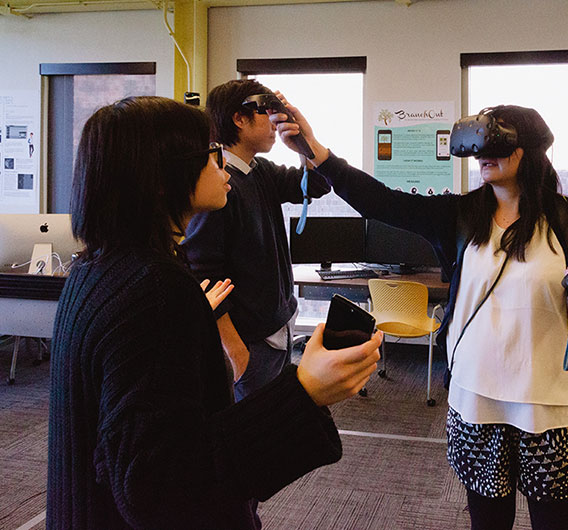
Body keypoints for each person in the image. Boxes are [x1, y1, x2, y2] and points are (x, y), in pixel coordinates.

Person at [274, 100, 568, 530]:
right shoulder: (460, 217)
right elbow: (380, 202)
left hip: (551, 404)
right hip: (475, 399)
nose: (482, 155)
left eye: (494, 144)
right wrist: (316, 151)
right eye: (478, 146)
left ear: (529, 150)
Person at [47, 96, 382, 529]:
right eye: (208, 153)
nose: (219, 164)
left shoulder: (95, 269)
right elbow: (159, 486)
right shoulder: (155, 289)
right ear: (163, 178)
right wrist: (304, 391)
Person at [182, 79, 331, 403]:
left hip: (275, 330)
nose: (274, 124)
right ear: (239, 118)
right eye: (267, 113)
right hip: (248, 344)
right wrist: (236, 353)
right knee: (251, 442)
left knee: (272, 435)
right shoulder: (217, 187)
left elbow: (318, 184)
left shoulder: (257, 171)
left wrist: (304, 143)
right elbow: (203, 274)